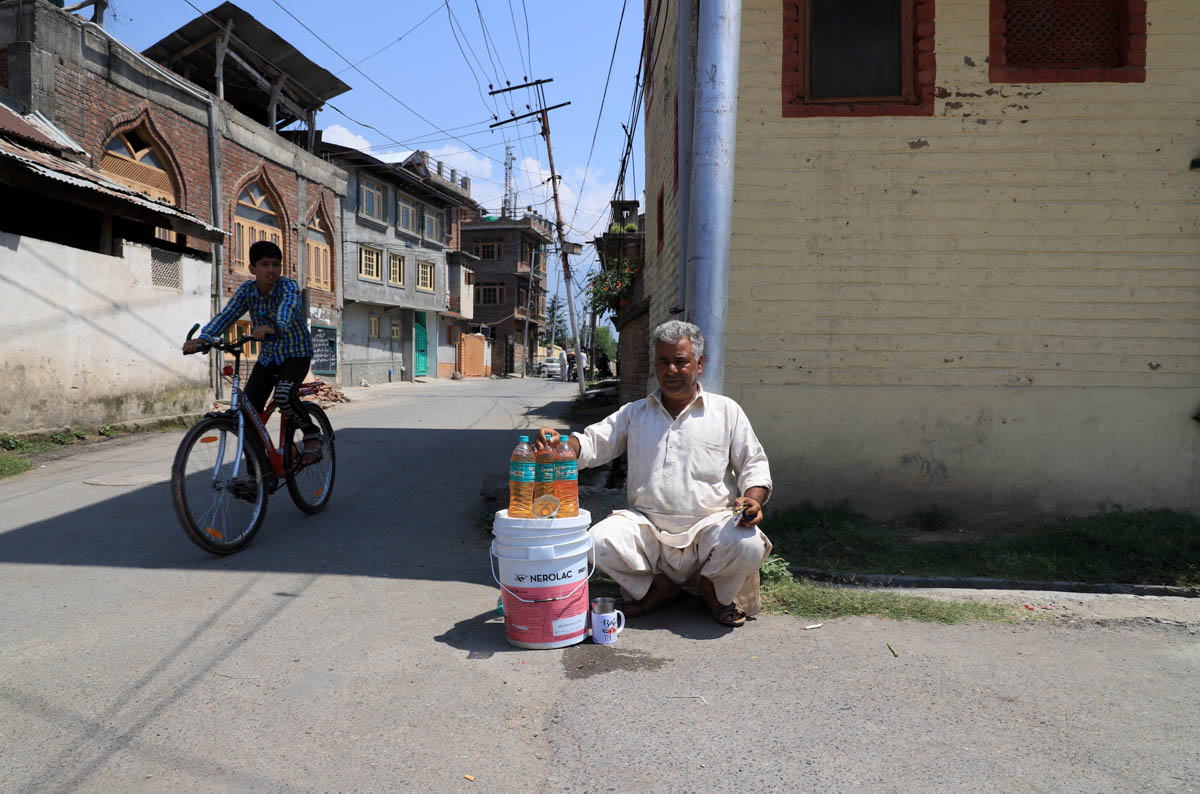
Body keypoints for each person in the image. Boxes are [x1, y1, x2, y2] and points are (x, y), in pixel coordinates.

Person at [534, 320, 772, 627]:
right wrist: (560, 444)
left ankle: (713, 589)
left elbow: (754, 463)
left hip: (711, 528)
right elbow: (594, 442)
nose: (671, 370)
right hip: (647, 529)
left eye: (681, 361)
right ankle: (658, 587)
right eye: (663, 362)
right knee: (597, 540)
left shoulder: (726, 412)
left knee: (749, 543)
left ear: (699, 364)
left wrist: (753, 499)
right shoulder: (635, 413)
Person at [182, 240, 323, 463]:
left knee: (284, 396)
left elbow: (286, 309)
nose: (271, 270)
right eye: (264, 264)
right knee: (247, 416)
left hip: (296, 354)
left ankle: (311, 432)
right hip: (269, 358)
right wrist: (204, 339)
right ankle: (255, 474)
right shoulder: (247, 291)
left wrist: (275, 327)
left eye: (276, 265)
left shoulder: (288, 287)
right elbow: (226, 315)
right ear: (252, 269)